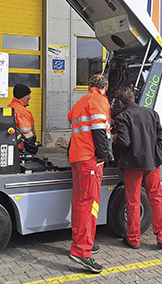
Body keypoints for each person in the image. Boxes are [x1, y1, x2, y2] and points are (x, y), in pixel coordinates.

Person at [113, 87, 162, 250]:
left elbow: (124, 142)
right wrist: (152, 150)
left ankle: (133, 238)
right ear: (133, 98)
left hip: (133, 165)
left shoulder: (122, 116)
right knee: (156, 198)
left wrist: (114, 138)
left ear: (120, 102)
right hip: (152, 163)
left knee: (133, 200)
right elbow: (161, 136)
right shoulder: (151, 113)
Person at [67, 74, 112, 273]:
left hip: (77, 157)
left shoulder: (81, 101)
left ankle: (80, 239)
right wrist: (107, 156)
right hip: (90, 159)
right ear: (106, 87)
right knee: (89, 203)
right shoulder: (99, 101)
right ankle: (82, 251)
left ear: (90, 85)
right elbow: (99, 131)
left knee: (79, 201)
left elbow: (71, 118)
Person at [7, 84, 37, 153]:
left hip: (14, 146)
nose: (30, 97)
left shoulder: (11, 106)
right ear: (22, 96)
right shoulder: (21, 111)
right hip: (21, 149)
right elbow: (27, 133)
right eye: (28, 95)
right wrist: (32, 147)